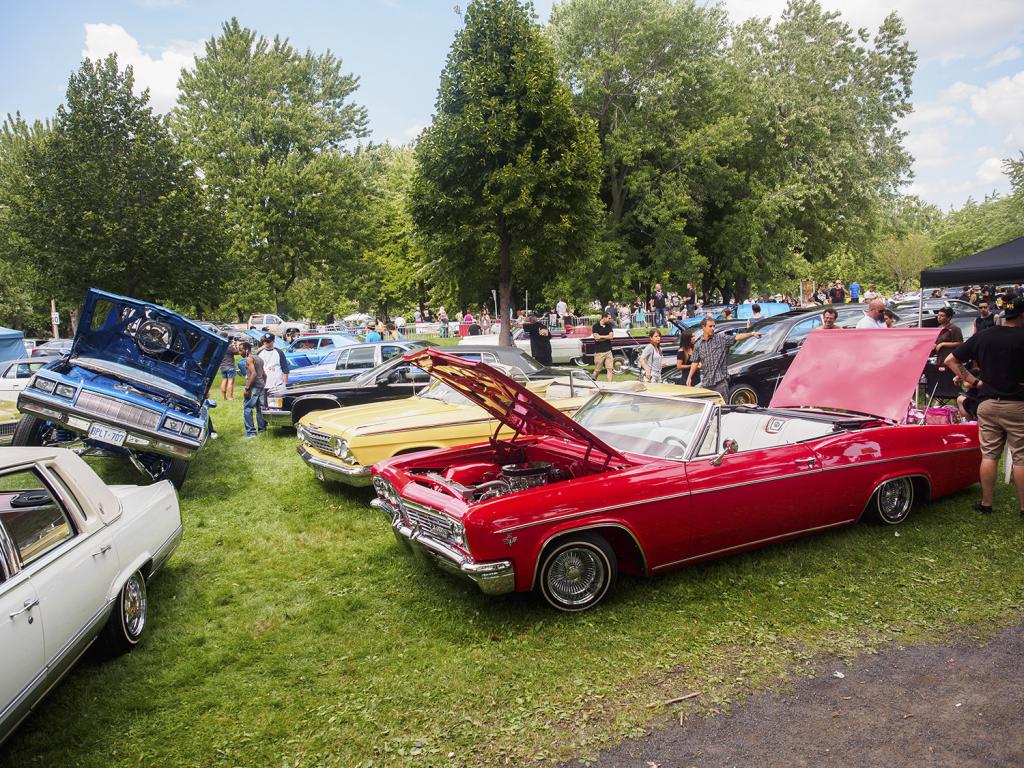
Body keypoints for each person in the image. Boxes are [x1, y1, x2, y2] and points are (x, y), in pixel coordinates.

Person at [945, 298, 1024, 516]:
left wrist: (973, 381)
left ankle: (986, 503)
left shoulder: (984, 335)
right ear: (1021, 316)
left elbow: (951, 360)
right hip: (1018, 404)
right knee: (1021, 456)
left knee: (989, 455)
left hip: (987, 404)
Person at [688, 317, 762, 399]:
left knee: (723, 407)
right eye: (710, 326)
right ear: (703, 327)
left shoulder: (721, 338)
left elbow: (737, 337)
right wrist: (689, 377)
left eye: (714, 326)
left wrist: (751, 334)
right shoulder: (698, 345)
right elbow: (695, 362)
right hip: (706, 382)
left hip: (720, 382)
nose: (713, 328)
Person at [239, 341, 267, 438]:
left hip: (254, 387)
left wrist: (247, 388)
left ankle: (251, 433)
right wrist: (263, 384)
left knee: (247, 408)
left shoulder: (249, 359)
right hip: (261, 386)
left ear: (247, 350)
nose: (239, 353)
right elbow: (264, 375)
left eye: (241, 350)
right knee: (260, 409)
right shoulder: (259, 358)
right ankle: (262, 429)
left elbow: (253, 374)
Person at [591, 311, 616, 382]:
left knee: (610, 369)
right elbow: (596, 338)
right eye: (609, 318)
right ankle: (592, 382)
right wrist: (606, 337)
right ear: (604, 318)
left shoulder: (609, 326)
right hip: (599, 352)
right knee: (597, 370)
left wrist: (601, 336)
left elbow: (611, 337)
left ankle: (609, 386)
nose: (610, 319)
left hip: (608, 351)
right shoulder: (595, 326)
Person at [218, 334, 237, 401]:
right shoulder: (228, 346)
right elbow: (237, 352)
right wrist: (235, 346)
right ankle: (230, 397)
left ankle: (223, 397)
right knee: (230, 382)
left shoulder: (219, 346)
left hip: (222, 366)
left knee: (224, 380)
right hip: (230, 365)